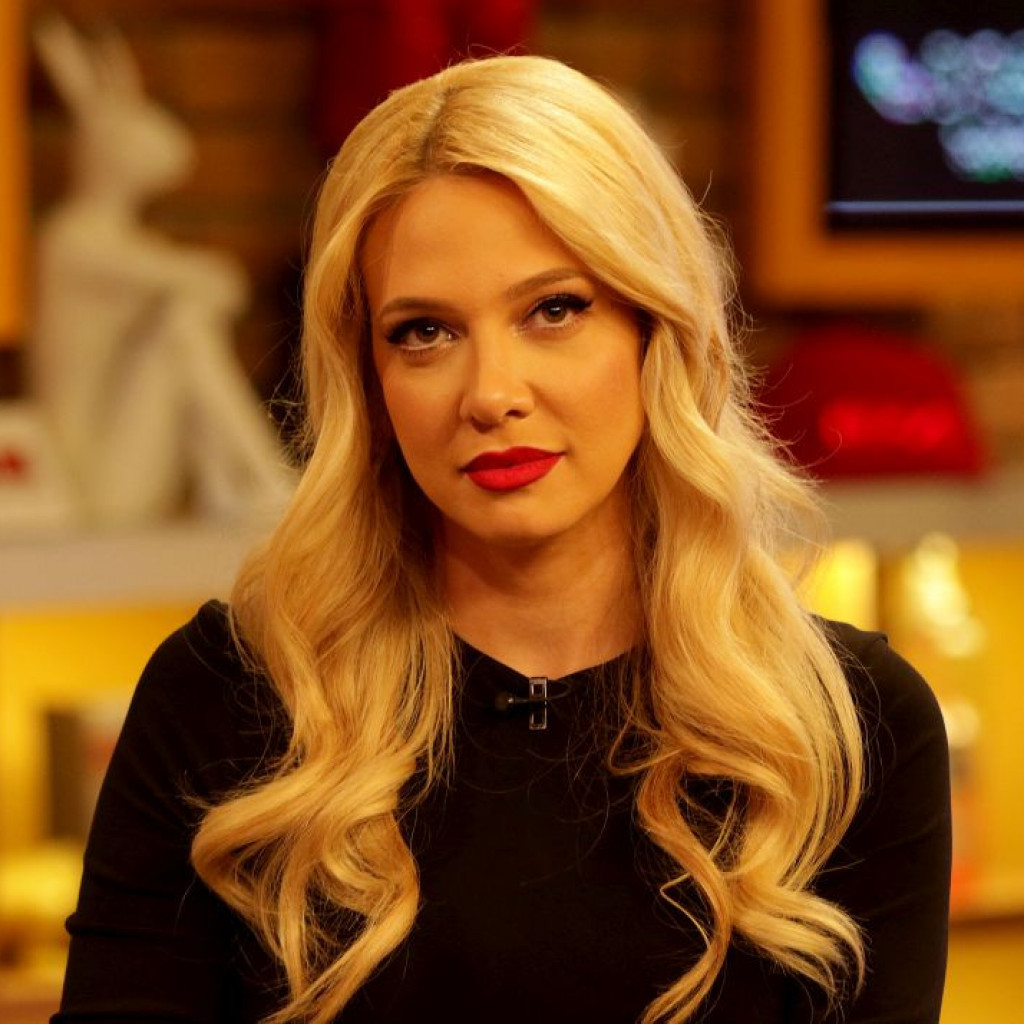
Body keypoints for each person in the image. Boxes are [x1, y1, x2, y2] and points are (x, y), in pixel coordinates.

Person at [54, 55, 951, 1024]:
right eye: (423, 332)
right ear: (368, 379)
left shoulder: (848, 727)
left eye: (553, 311)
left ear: (655, 330)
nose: (490, 394)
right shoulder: (225, 699)